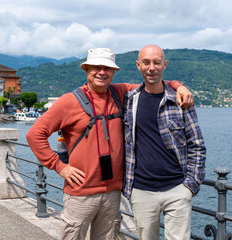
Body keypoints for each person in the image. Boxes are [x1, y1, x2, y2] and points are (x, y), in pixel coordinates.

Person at [26, 48, 193, 240]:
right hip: (80, 192)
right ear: (86, 69)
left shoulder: (119, 93)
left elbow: (152, 81)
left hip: (113, 193)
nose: (102, 72)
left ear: (113, 72)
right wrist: (60, 167)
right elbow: (35, 135)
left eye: (107, 68)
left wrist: (178, 86)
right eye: (96, 67)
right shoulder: (68, 102)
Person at [122, 44, 206, 240]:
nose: (152, 67)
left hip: (177, 189)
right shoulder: (129, 100)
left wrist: (191, 185)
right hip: (141, 190)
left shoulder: (180, 101)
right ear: (138, 65)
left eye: (157, 62)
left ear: (164, 65)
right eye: (146, 62)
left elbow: (197, 144)